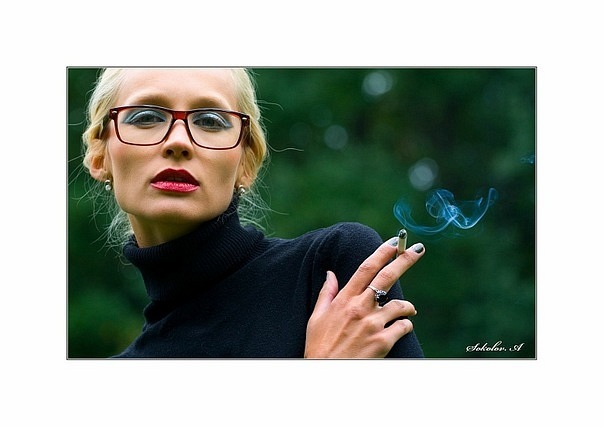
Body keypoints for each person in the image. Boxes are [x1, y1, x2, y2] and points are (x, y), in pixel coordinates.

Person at [81, 67, 426, 358]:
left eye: (210, 121)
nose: (179, 142)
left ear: (247, 164)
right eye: (146, 117)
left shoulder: (332, 270)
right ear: (99, 156)